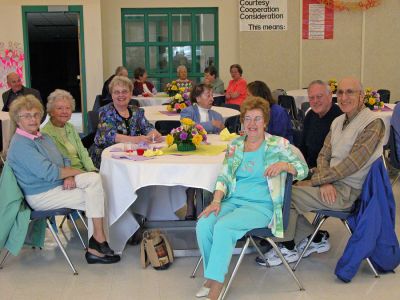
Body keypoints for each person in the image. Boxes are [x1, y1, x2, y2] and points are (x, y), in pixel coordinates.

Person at [256, 77, 385, 267]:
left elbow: (351, 165)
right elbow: (324, 155)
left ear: (361, 96)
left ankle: (287, 247)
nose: (344, 97)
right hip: (332, 183)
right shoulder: (338, 121)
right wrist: (324, 182)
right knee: (281, 185)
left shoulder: (373, 123)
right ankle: (313, 238)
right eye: (340, 92)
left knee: (285, 197)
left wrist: (316, 179)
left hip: (349, 192)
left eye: (350, 92)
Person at [195, 96, 308, 300]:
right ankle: (212, 276)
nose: (252, 124)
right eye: (248, 119)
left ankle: (216, 286)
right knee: (204, 224)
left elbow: (303, 170)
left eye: (257, 119)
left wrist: (285, 166)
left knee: (223, 227)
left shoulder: (278, 144)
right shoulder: (235, 146)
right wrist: (216, 201)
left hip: (262, 207)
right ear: (242, 122)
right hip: (234, 201)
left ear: (265, 122)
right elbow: (224, 175)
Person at [7, 95, 120, 264]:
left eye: (36, 114)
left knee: (95, 180)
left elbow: (64, 157)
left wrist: (71, 174)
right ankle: (97, 245)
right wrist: (71, 173)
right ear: (17, 119)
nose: (33, 119)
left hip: (58, 184)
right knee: (99, 194)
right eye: (27, 116)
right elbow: (48, 172)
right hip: (41, 194)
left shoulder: (41, 137)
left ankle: (98, 241)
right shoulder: (21, 144)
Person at [91, 76, 162, 168]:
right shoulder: (106, 111)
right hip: (107, 157)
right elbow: (108, 135)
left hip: (131, 154)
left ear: (131, 94)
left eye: (124, 91)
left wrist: (154, 134)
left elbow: (147, 127)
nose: (121, 95)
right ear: (112, 95)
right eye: (116, 92)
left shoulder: (137, 111)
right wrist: (136, 140)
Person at [180, 83, 225, 220]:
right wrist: (211, 125)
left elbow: (222, 133)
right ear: (198, 98)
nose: (212, 98)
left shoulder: (217, 114)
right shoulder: (187, 112)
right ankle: (190, 201)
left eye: (212, 95)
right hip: (192, 151)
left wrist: (220, 127)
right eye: (208, 95)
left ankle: (207, 202)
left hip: (211, 151)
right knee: (192, 168)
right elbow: (187, 127)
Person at [41, 89, 97, 172]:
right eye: (60, 108)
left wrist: (92, 169)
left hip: (82, 169)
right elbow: (54, 162)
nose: (64, 111)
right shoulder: (45, 133)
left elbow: (82, 151)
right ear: (51, 112)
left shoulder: (70, 127)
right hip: (68, 174)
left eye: (68, 108)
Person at [299, 80, 342, 171]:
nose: (315, 101)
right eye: (311, 98)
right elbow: (302, 147)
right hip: (309, 169)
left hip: (328, 171)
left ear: (330, 96)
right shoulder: (310, 115)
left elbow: (339, 156)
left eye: (319, 97)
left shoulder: (339, 118)